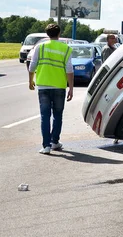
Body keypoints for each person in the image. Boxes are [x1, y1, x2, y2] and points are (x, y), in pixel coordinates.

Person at [28, 23, 74, 154]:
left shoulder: (40, 47)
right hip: (59, 86)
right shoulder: (66, 49)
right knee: (58, 115)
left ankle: (46, 146)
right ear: (59, 34)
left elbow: (32, 65)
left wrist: (30, 81)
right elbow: (69, 70)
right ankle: (55, 142)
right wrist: (71, 88)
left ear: (47, 34)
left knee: (45, 116)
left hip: (43, 85)